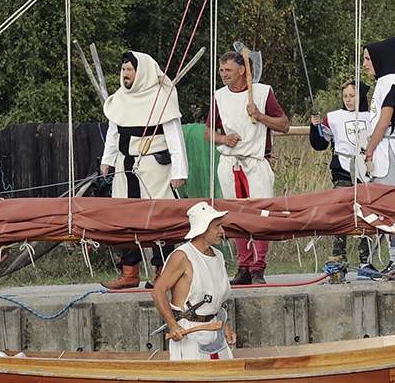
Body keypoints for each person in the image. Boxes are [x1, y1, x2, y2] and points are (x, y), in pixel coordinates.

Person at [100, 51, 188, 289]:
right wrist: (106, 160)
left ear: (143, 72)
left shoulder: (161, 98)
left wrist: (179, 171)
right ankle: (130, 272)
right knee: (124, 219)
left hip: (153, 166)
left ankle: (162, 271)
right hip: (125, 165)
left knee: (160, 220)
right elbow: (113, 132)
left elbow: (174, 135)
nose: (125, 74)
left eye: (130, 69)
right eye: (123, 70)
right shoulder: (120, 98)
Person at [205, 50, 290, 286]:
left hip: (255, 161)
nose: (223, 75)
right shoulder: (219, 97)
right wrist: (224, 139)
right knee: (234, 216)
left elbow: (284, 125)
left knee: (260, 215)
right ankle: (244, 265)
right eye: (221, 70)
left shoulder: (262, 93)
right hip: (230, 162)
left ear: (242, 70)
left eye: (228, 70)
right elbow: (208, 132)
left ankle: (258, 267)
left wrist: (260, 115)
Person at [151, 202, 238, 360]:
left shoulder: (218, 256)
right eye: (217, 226)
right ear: (203, 228)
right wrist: (172, 325)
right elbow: (158, 291)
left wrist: (225, 326)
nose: (222, 231)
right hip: (189, 335)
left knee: (223, 381)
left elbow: (215, 299)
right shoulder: (182, 256)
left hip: (215, 329)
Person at [360, 36, 395, 278]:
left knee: (391, 208)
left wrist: (369, 149)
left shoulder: (392, 85)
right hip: (383, 147)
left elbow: (383, 122)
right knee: (382, 207)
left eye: (368, 59)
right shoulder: (385, 83)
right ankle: (393, 260)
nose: (365, 64)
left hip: (385, 149)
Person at [309, 79, 371, 265]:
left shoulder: (371, 117)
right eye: (345, 96)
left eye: (352, 96)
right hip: (342, 169)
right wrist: (315, 126)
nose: (348, 100)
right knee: (341, 211)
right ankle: (338, 255)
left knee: (364, 212)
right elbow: (320, 143)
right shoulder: (334, 117)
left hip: (364, 170)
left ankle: (365, 259)